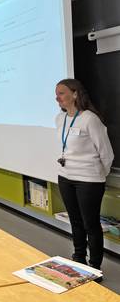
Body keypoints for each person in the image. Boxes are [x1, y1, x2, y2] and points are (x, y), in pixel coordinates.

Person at [55, 78, 114, 274]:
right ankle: (78, 258)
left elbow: (106, 153)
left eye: (62, 92)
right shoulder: (60, 118)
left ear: (75, 94)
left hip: (89, 180)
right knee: (75, 221)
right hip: (65, 177)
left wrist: (97, 174)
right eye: (56, 94)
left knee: (91, 224)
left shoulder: (90, 119)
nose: (58, 97)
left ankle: (95, 267)